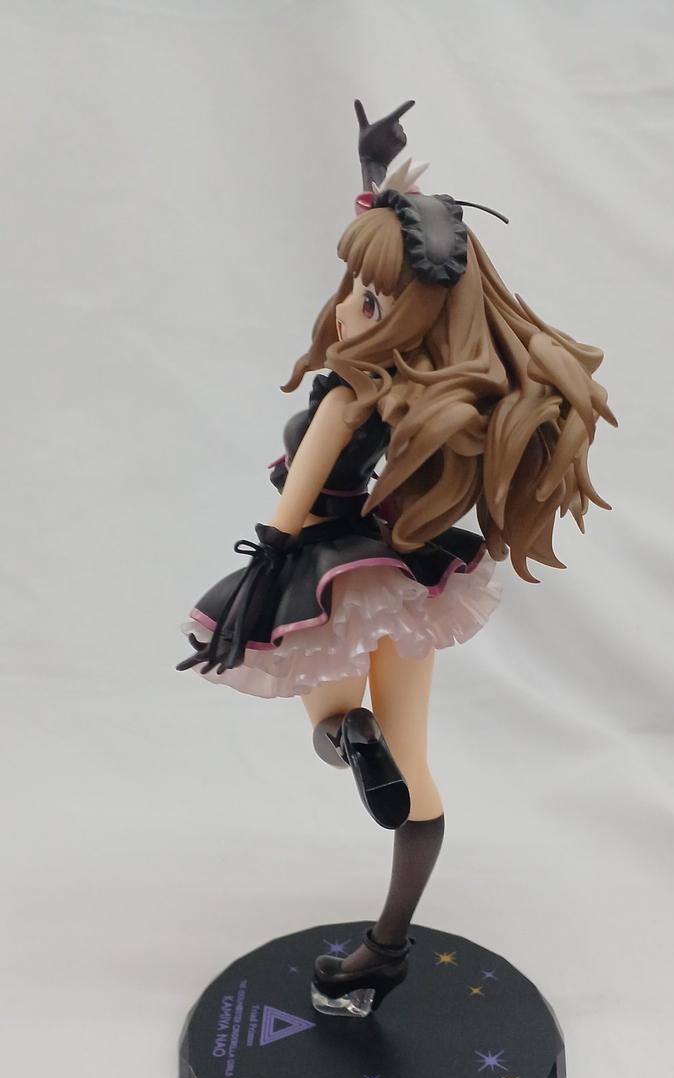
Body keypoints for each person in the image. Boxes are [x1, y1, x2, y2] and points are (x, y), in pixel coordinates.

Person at [176, 100, 616, 1017]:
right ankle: (386, 948)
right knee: (417, 775)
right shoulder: (410, 397)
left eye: (370, 301)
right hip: (404, 578)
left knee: (329, 719)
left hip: (325, 575)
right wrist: (375, 173)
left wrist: (254, 589)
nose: (347, 307)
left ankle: (351, 739)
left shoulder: (346, 400)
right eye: (352, 288)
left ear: (404, 317)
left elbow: (287, 516)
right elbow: (401, 249)